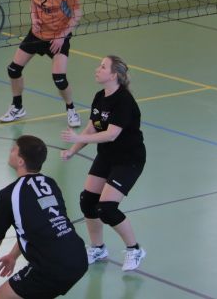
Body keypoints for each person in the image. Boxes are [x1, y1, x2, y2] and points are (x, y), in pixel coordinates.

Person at [0, 135, 88, 298]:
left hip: (51, 267)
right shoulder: (50, 184)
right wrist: (13, 256)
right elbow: (41, 225)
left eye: (14, 149)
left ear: (21, 161)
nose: (10, 150)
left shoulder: (8, 195)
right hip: (79, 257)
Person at [61, 55, 147, 273]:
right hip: (107, 156)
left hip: (129, 159)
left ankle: (134, 249)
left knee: (107, 208)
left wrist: (78, 138)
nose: (97, 70)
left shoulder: (124, 101)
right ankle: (98, 248)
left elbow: (111, 134)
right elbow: (92, 128)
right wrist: (72, 150)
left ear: (114, 75)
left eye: (102, 67)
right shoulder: (100, 96)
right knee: (88, 201)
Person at [0, 0, 82, 126]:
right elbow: (34, 3)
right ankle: (17, 107)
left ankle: (71, 109)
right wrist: (34, 18)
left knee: (59, 78)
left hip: (58, 37)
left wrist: (62, 36)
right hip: (37, 34)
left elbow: (77, 13)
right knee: (13, 70)